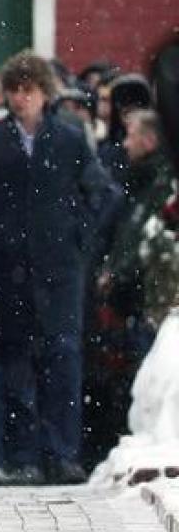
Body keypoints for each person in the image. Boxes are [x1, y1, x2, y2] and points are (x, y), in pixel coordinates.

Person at [0, 51, 120, 486]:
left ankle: (61, 453)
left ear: (44, 93)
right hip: (9, 270)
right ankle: (22, 454)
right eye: (13, 90)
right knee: (13, 365)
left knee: (62, 361)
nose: (19, 99)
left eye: (27, 90)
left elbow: (101, 194)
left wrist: (77, 237)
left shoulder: (67, 139)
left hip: (58, 270)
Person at [85, 108, 175, 466]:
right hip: (134, 296)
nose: (124, 142)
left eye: (131, 134)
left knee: (146, 378)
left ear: (150, 140)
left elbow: (147, 243)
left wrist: (120, 275)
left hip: (144, 299)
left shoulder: (158, 184)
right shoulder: (141, 180)